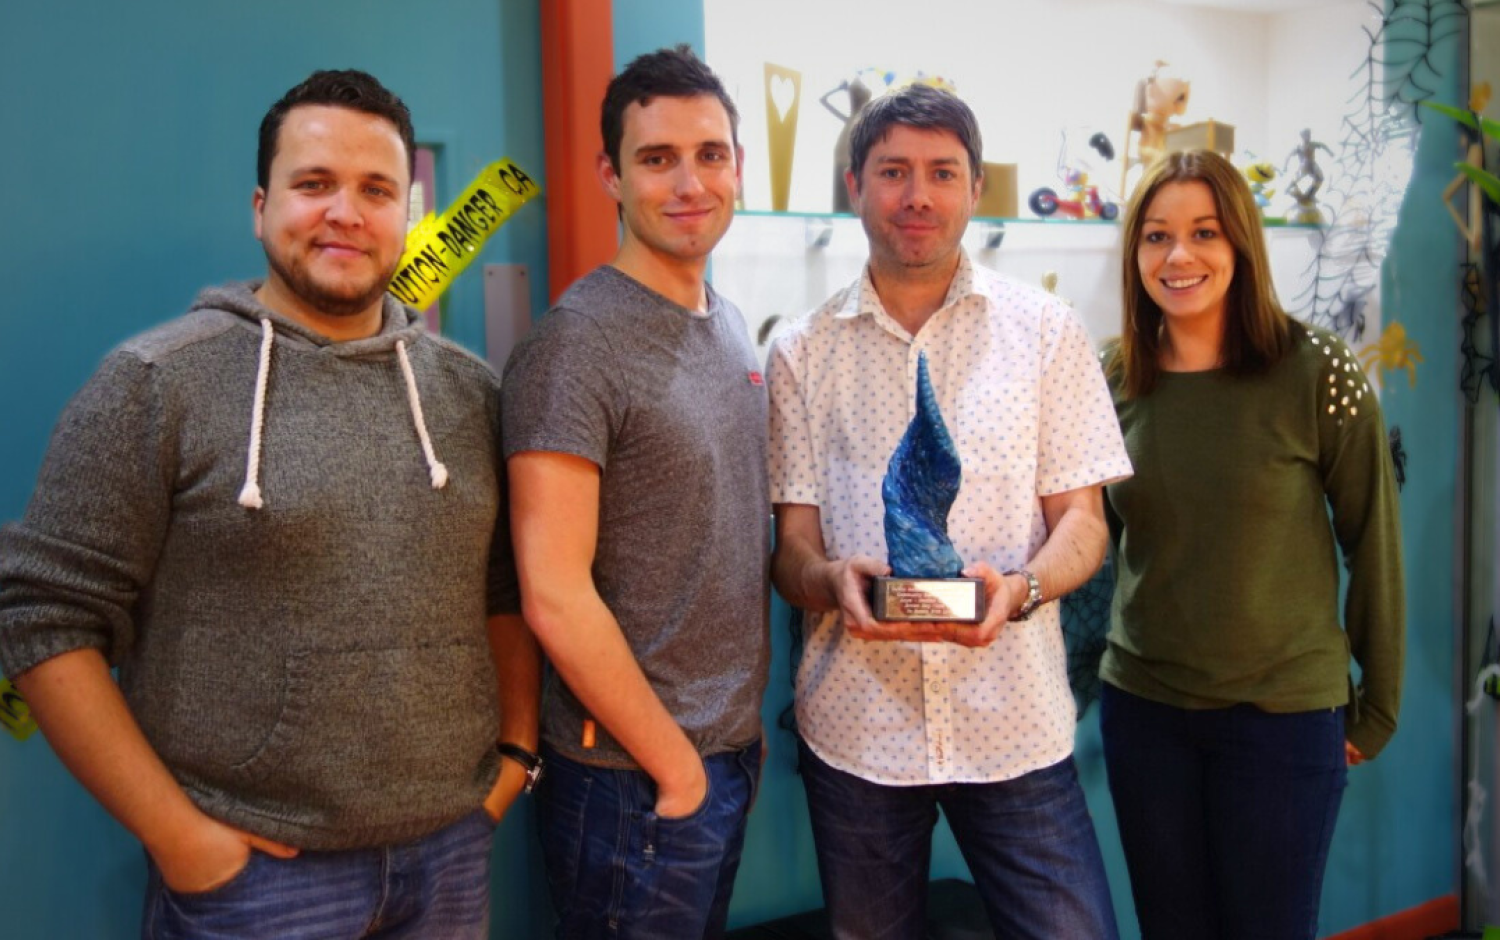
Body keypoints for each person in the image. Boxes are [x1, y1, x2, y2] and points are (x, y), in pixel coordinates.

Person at [0, 69, 540, 939]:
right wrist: (179, 839)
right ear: (261, 206)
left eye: (376, 191)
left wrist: (515, 758)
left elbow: (504, 591)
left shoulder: (470, 394)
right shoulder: (154, 384)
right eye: (313, 184)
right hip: (253, 881)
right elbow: (39, 617)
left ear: (408, 214)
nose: (345, 213)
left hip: (450, 852)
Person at [767, 82, 1130, 940]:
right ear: (854, 185)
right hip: (858, 730)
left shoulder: (1047, 331)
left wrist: (1022, 590)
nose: (916, 195)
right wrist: (828, 579)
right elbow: (790, 549)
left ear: (976, 189)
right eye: (892, 171)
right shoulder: (800, 352)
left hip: (1016, 722)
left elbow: (1085, 525)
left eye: (941, 172)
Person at [1100, 149, 1404, 939]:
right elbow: (1091, 542)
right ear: (1135, 254)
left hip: (1282, 717)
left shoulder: (1318, 373)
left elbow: (1373, 541)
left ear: (1240, 245)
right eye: (1157, 236)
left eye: (1205, 232)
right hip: (1146, 714)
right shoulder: (1111, 377)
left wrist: (1378, 709)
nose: (1179, 256)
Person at [501, 45, 768, 940]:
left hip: (720, 757)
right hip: (633, 782)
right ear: (611, 175)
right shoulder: (578, 343)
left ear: (738, 166)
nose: (689, 182)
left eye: (710, 154)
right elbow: (553, 591)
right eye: (657, 159)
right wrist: (677, 771)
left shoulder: (726, 324)